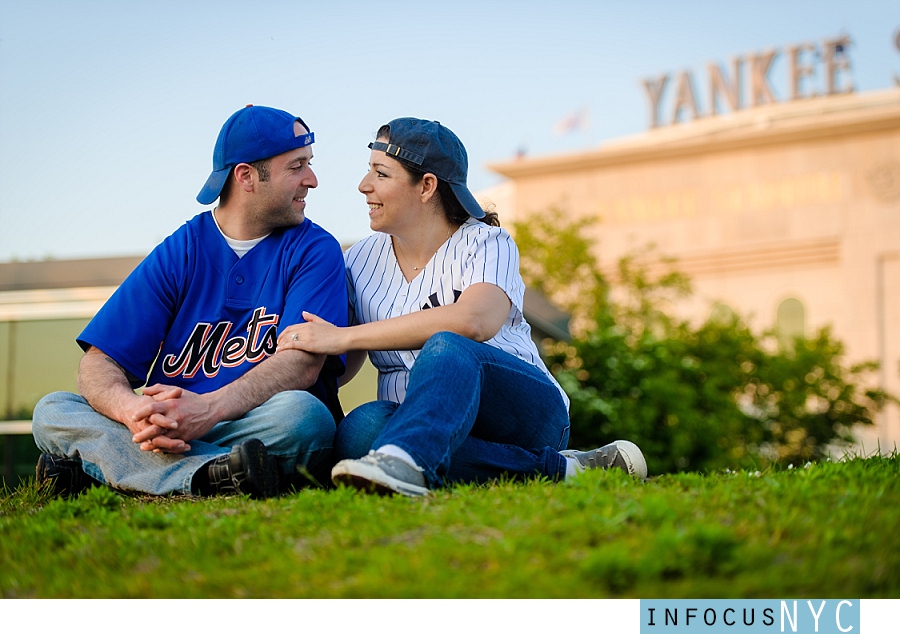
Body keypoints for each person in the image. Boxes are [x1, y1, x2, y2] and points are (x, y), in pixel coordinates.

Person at [276, 117, 646, 497]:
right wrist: (269, 394)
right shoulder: (358, 260)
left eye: (381, 173)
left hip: (520, 411)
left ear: (427, 186)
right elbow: (343, 362)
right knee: (360, 431)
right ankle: (565, 471)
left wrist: (343, 336)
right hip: (416, 423)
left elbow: (474, 320)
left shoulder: (487, 242)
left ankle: (408, 461)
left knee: (447, 342)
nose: (363, 185)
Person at [31, 105, 347, 499]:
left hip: (252, 423)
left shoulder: (315, 249)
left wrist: (208, 409)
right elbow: (100, 362)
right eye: (297, 166)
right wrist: (132, 412)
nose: (312, 180)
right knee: (53, 410)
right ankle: (209, 476)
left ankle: (109, 471)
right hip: (173, 427)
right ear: (246, 176)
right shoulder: (182, 249)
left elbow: (302, 364)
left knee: (304, 418)